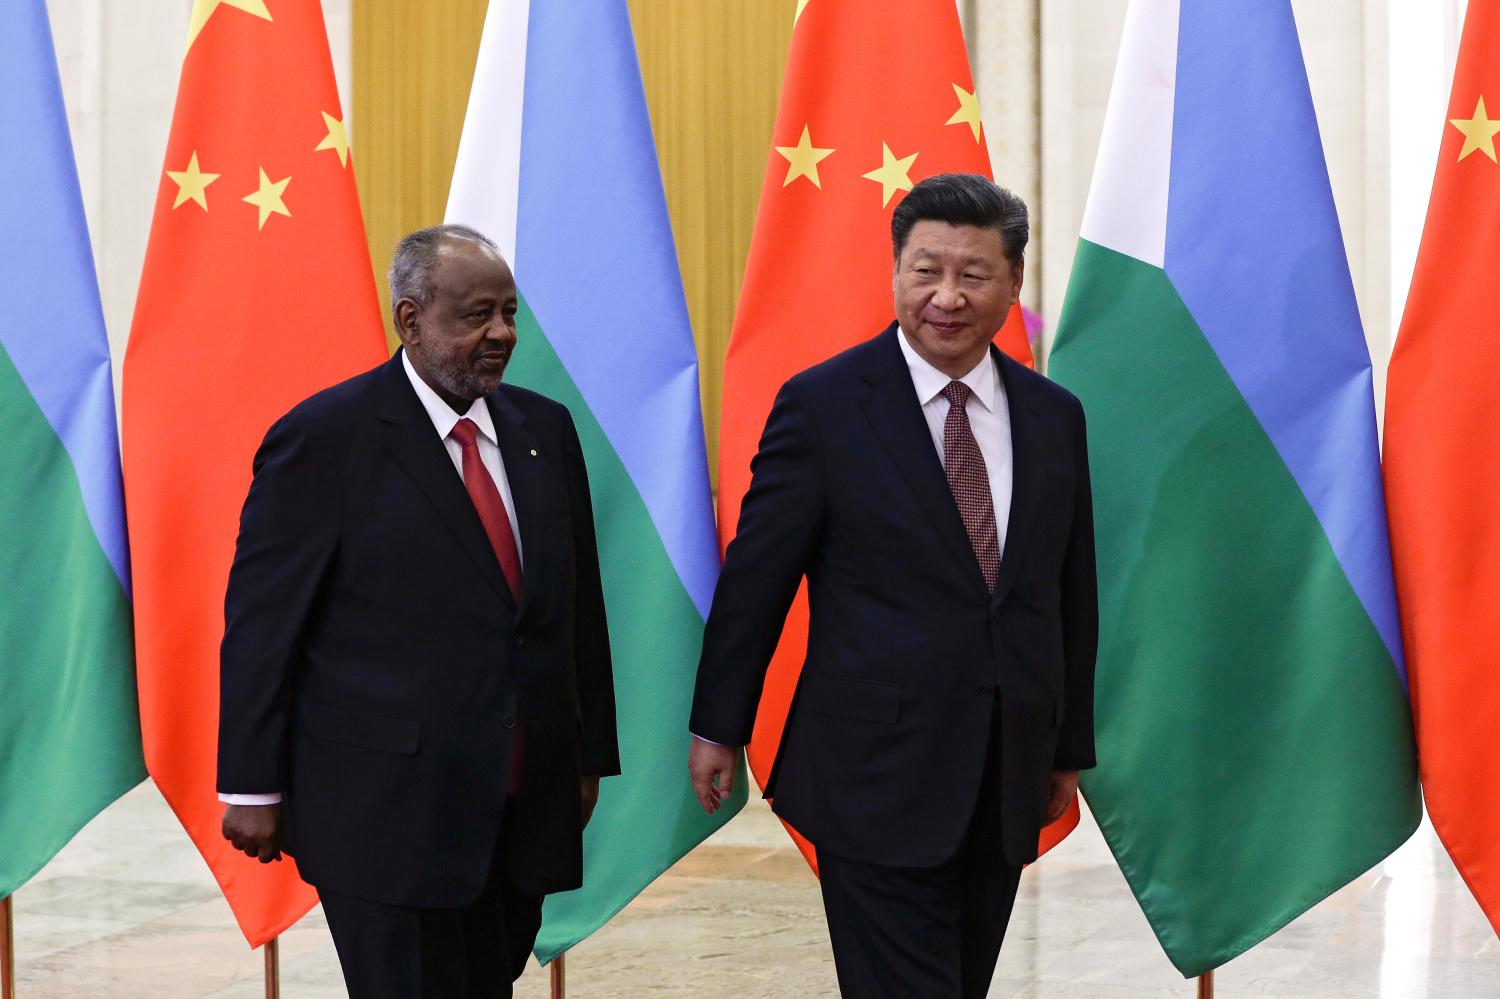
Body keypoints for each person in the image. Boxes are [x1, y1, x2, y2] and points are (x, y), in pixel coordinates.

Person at [688, 174, 1097, 998]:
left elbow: (1069, 589)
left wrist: (1065, 745)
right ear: (896, 272)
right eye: (925, 270)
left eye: (973, 274)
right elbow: (756, 581)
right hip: (872, 770)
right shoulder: (826, 405)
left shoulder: (1053, 416)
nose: (946, 296)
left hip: (1003, 769)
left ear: (1013, 284)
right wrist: (717, 725)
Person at [216, 224, 619, 999]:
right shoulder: (325, 438)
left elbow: (576, 609)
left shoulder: (544, 430)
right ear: (410, 318)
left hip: (515, 804)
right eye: (476, 315)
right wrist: (251, 783)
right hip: (382, 813)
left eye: (508, 313)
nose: (500, 333)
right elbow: (265, 625)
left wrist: (585, 753)